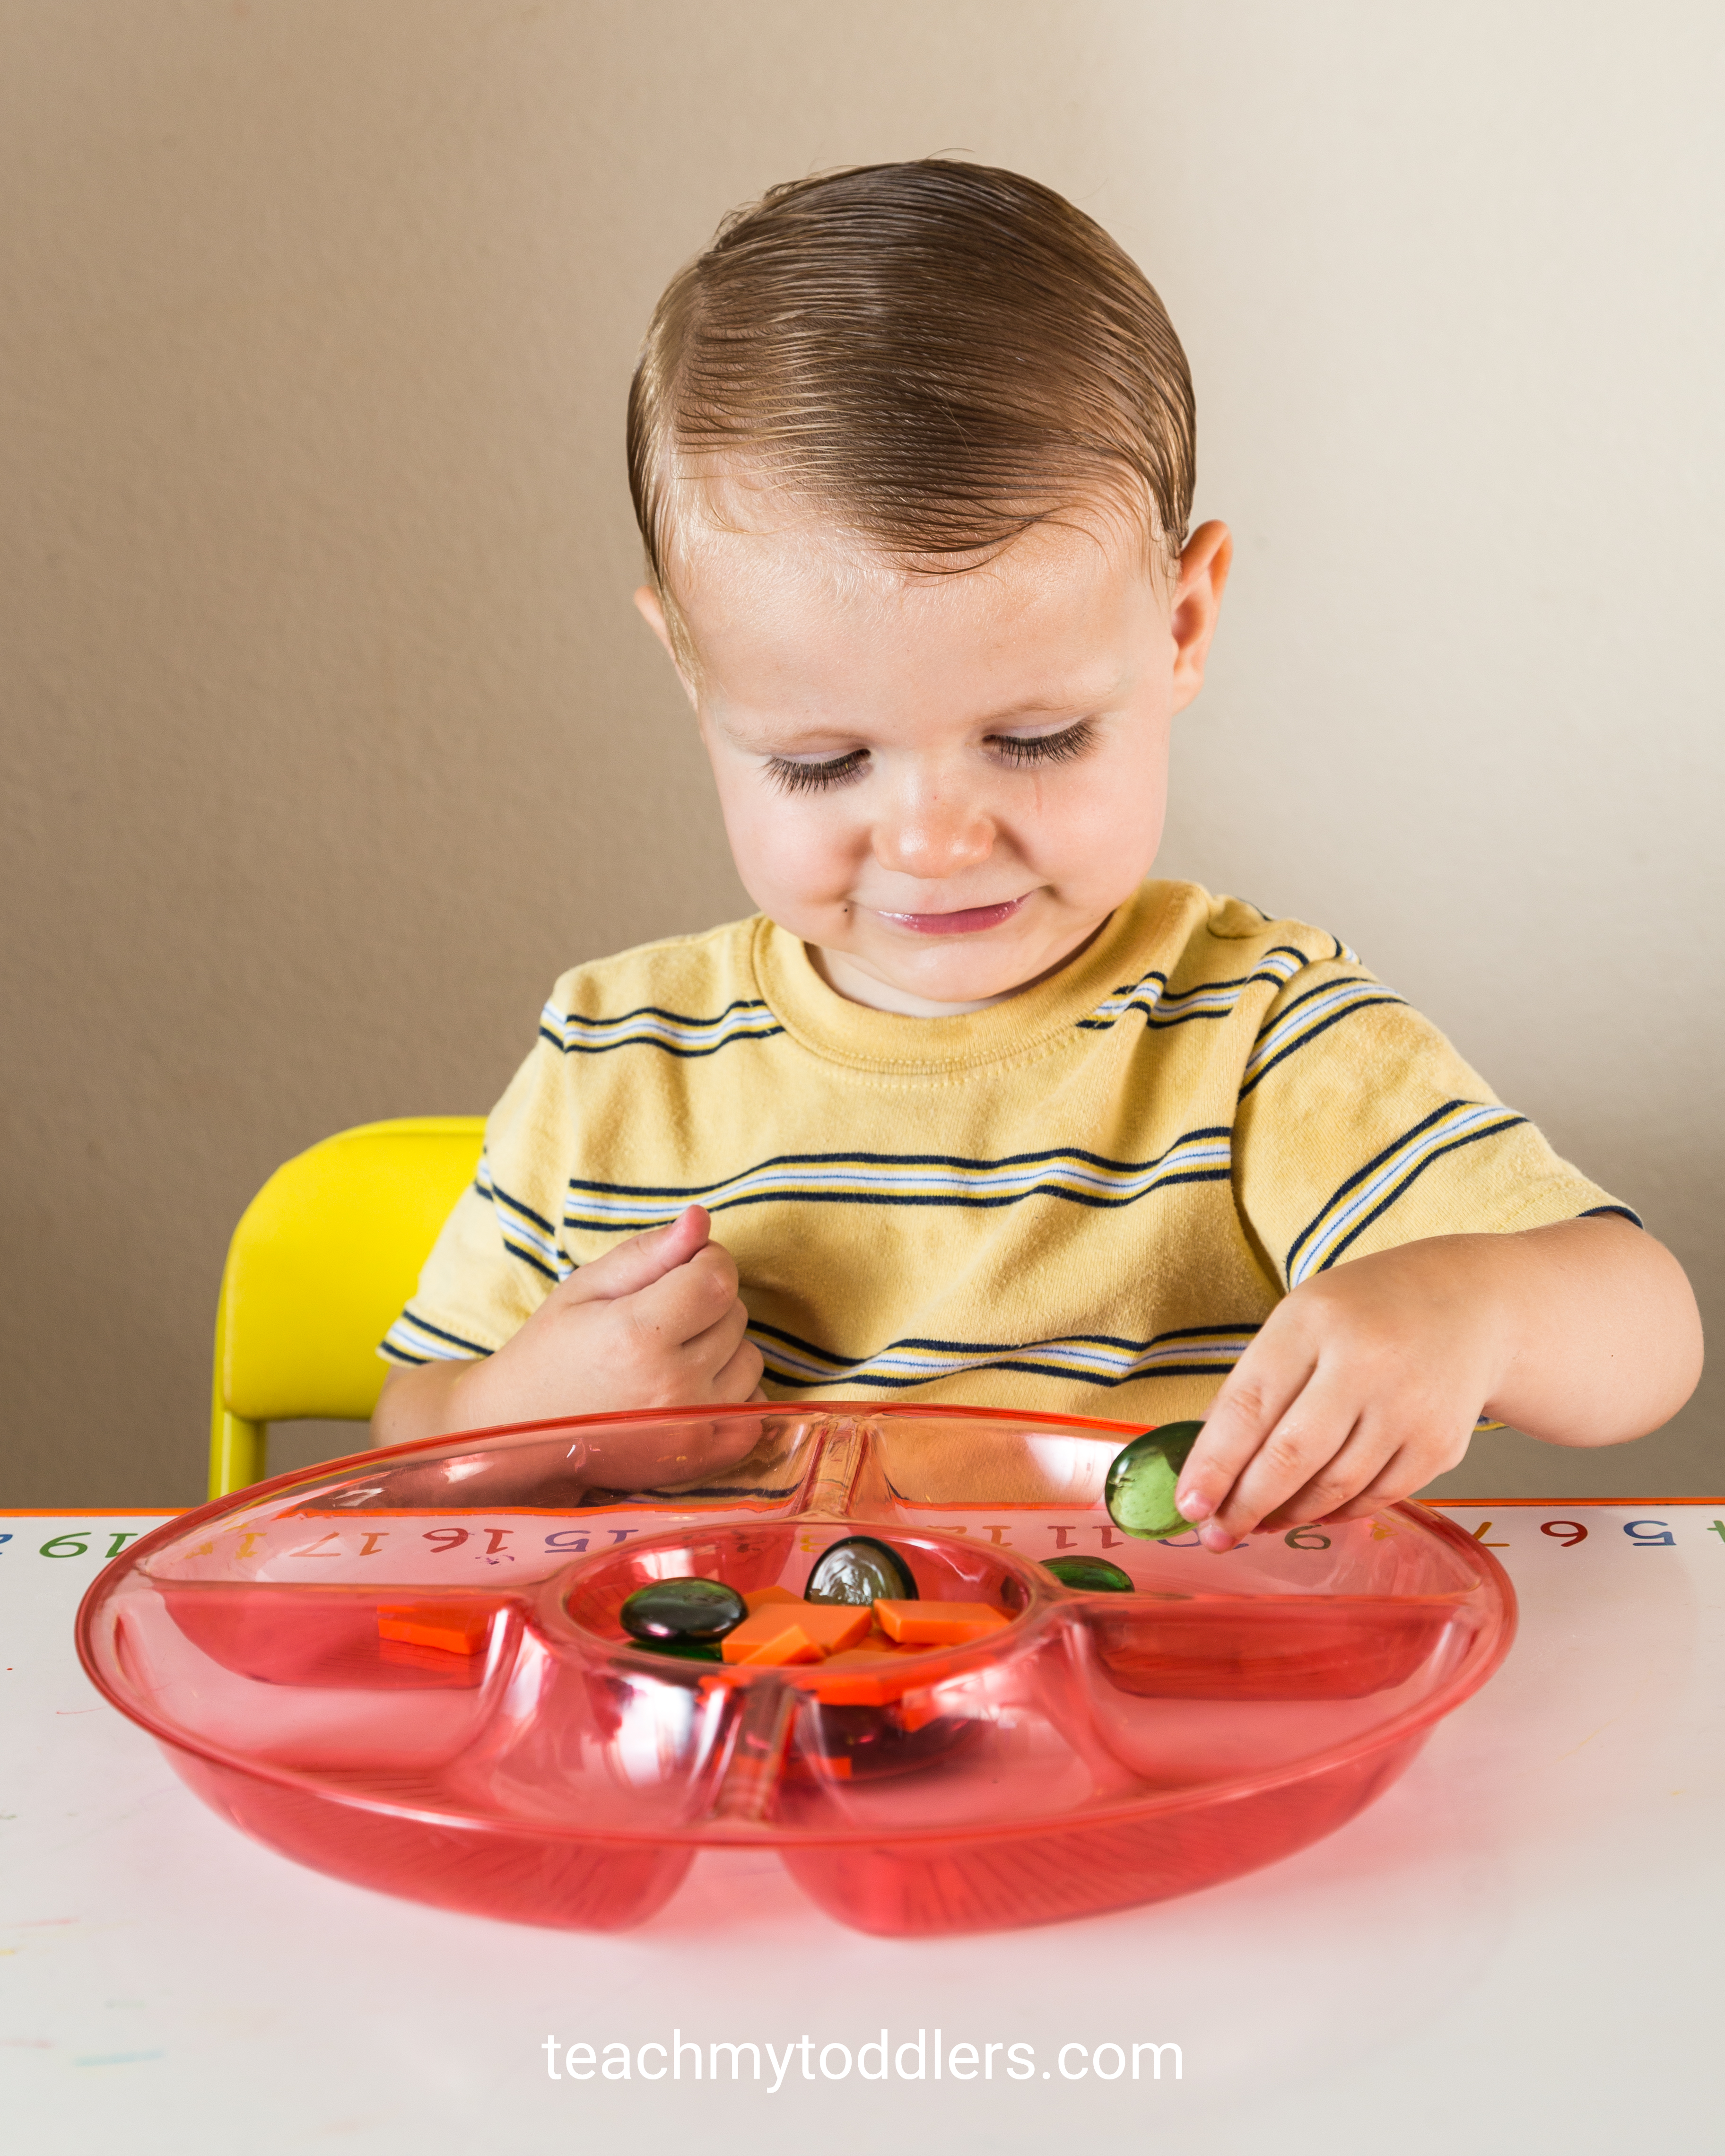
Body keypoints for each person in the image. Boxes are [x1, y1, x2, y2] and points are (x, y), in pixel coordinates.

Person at [371, 160, 1701, 1550]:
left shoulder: (1255, 1041)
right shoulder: (616, 1058)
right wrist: (531, 1411)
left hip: (1164, 1743)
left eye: (1040, 738)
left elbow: (1648, 1328)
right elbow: (407, 1451)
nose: (938, 841)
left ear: (1182, 628)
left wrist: (1468, 1310)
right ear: (693, 672)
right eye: (822, 763)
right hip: (719, 1750)